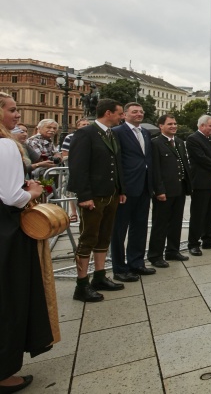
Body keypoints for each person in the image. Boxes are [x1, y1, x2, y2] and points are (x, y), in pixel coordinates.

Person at [0, 92, 56, 393]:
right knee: (10, 296)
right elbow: (12, 195)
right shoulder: (7, 145)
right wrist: (32, 191)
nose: (17, 115)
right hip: (7, 227)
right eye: (12, 110)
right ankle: (5, 372)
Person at [67, 99, 127, 302]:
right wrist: (84, 196)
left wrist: (121, 189)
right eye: (120, 113)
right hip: (93, 196)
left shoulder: (111, 133)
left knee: (104, 236)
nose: (122, 117)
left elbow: (117, 163)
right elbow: (78, 166)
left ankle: (99, 277)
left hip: (110, 193)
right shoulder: (85, 133)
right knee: (88, 238)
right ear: (108, 113)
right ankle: (81, 284)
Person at [109, 102, 156, 282]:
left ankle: (136, 263)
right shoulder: (118, 132)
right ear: (125, 114)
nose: (138, 114)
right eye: (134, 111)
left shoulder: (145, 132)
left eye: (141, 111)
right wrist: (119, 187)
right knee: (119, 230)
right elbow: (117, 160)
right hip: (126, 188)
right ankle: (119, 268)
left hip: (144, 186)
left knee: (140, 226)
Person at [147, 114, 192, 268]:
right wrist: (159, 190)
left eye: (175, 123)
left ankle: (172, 250)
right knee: (160, 224)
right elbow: (155, 169)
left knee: (176, 222)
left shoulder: (179, 142)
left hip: (179, 188)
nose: (174, 126)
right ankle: (155, 255)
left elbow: (183, 165)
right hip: (164, 191)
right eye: (170, 124)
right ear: (161, 126)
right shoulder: (155, 143)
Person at [186, 115, 211, 256]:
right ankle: (193, 243)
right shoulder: (193, 139)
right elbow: (201, 158)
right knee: (198, 214)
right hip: (201, 183)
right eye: (210, 126)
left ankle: (209, 239)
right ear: (202, 126)